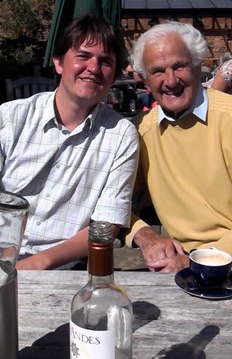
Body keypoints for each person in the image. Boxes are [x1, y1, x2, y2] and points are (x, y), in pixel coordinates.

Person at [0, 14, 139, 270]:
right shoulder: (10, 118)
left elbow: (106, 224)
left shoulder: (122, 135)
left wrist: (34, 265)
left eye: (105, 61)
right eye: (83, 56)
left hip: (64, 266)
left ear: (114, 75)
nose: (94, 68)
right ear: (59, 62)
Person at [125, 21, 232, 273]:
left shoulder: (228, 118)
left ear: (197, 66)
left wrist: (201, 261)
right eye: (158, 71)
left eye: (179, 66)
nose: (171, 80)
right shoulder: (140, 131)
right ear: (145, 80)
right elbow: (113, 202)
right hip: (178, 268)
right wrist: (146, 236)